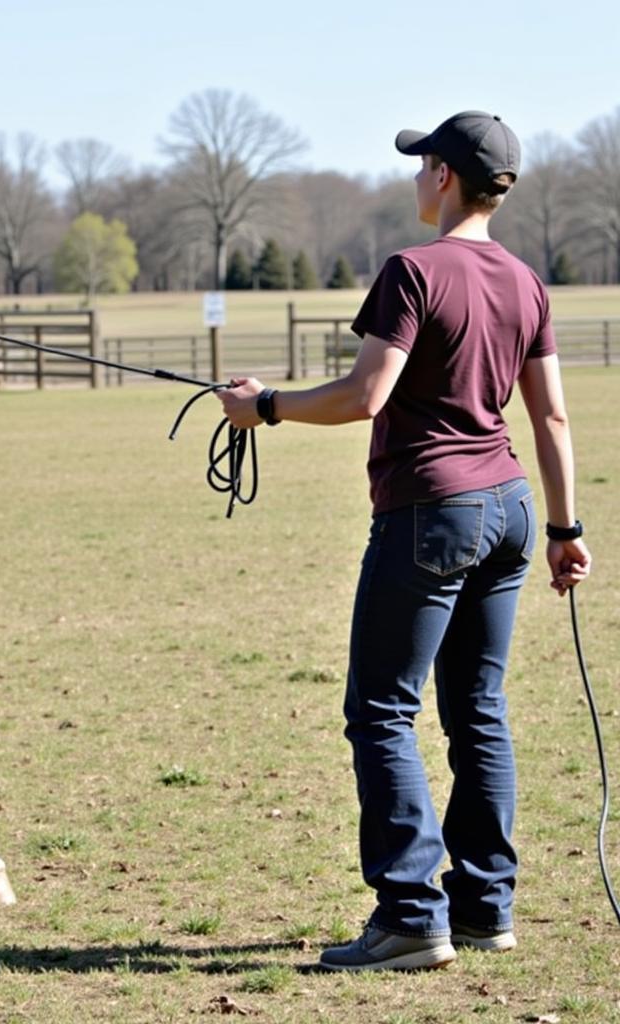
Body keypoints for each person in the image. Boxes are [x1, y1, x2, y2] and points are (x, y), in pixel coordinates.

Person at [218, 111, 592, 971]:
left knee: (381, 710)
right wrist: (566, 530)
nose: (416, 174)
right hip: (510, 508)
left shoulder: (411, 271)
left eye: (424, 162)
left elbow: (365, 394)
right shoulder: (527, 283)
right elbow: (553, 416)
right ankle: (485, 908)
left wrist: (264, 405)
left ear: (447, 177)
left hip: (430, 510)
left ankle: (411, 916)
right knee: (479, 714)